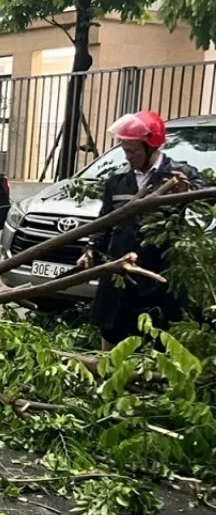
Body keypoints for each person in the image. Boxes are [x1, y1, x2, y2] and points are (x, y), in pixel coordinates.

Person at [77, 110, 206, 350]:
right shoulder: (117, 181)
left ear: (151, 146)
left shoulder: (180, 175)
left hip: (160, 270)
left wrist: (187, 194)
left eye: (133, 151)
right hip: (120, 269)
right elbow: (104, 220)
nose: (128, 157)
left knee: (161, 332)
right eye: (125, 151)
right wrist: (91, 248)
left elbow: (207, 199)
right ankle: (108, 378)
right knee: (112, 328)